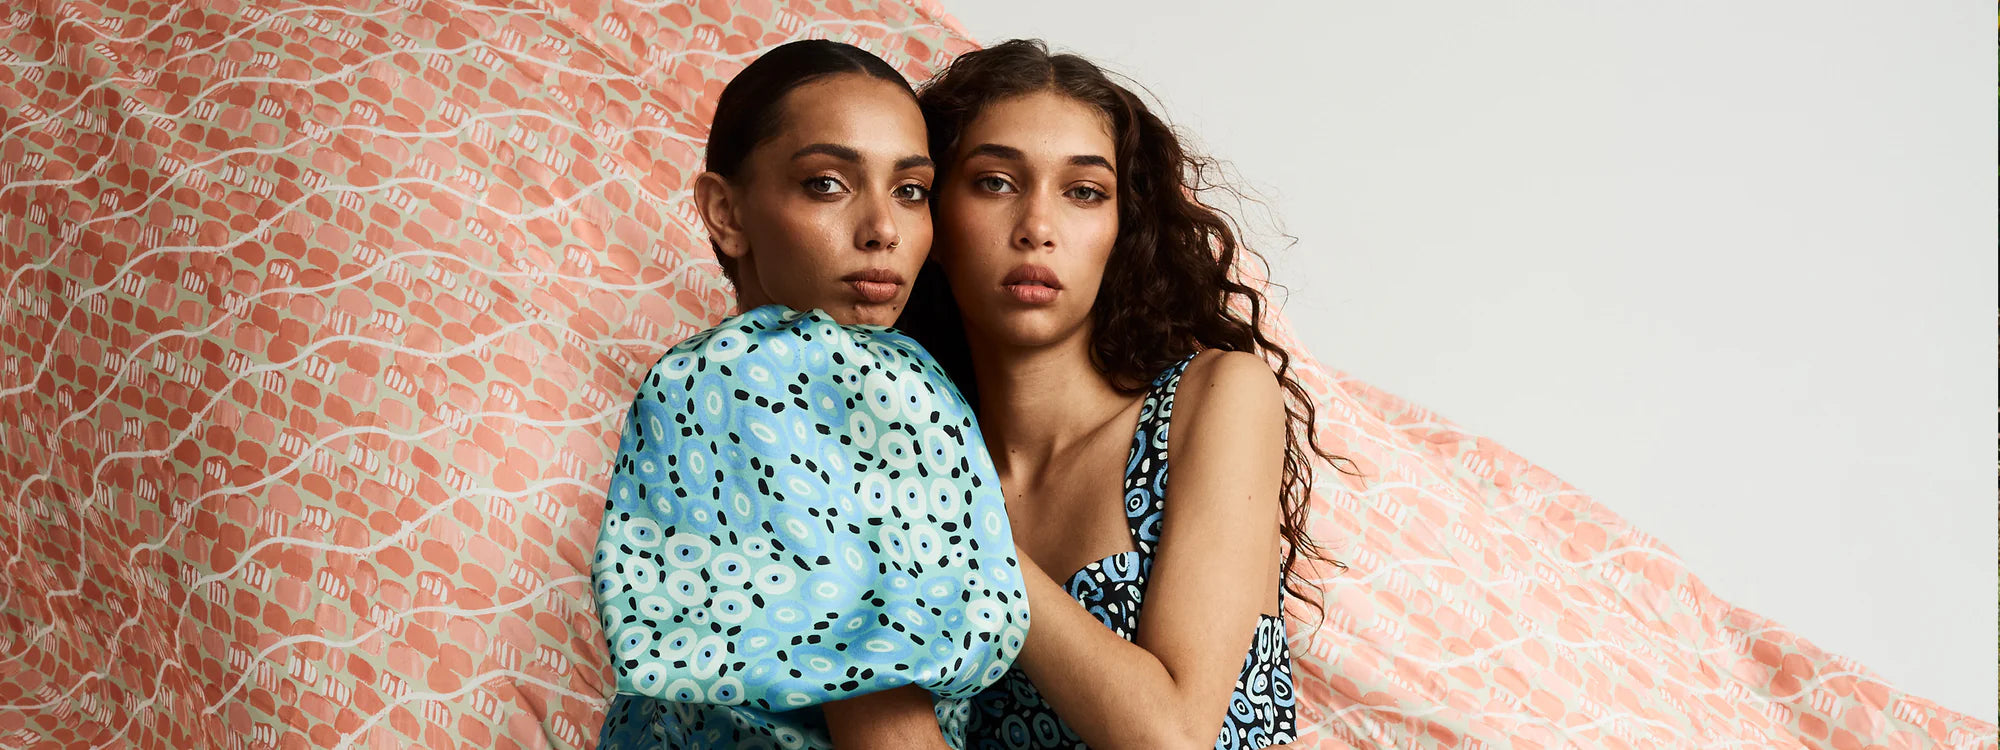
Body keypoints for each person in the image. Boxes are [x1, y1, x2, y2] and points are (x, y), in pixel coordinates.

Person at [898, 39, 1352, 749]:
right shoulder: (913, 453)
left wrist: (971, 537)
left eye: (1084, 192)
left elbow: (1172, 736)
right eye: (994, 181)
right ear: (932, 216)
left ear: (1121, 228)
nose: (1037, 229)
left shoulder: (1214, 399)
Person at [590, 39, 1029, 749]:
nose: (883, 229)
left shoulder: (876, 371)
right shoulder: (751, 376)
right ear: (725, 212)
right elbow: (876, 702)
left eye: (910, 190)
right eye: (827, 183)